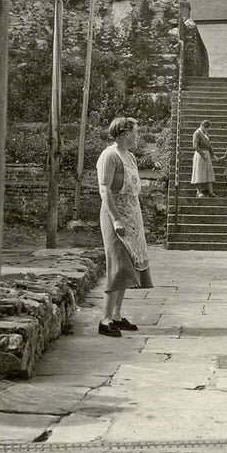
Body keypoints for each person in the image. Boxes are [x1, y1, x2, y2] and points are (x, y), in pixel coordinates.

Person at [96, 117, 152, 337]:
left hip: (132, 215)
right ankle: (105, 319)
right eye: (134, 132)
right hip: (114, 216)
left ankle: (117, 316)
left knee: (129, 266)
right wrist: (116, 219)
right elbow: (104, 190)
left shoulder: (130, 157)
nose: (137, 136)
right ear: (123, 133)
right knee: (118, 266)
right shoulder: (109, 156)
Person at [191, 119, 216, 197]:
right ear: (202, 126)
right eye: (206, 128)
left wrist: (213, 155)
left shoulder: (205, 133)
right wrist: (202, 154)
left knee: (209, 172)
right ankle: (199, 192)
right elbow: (195, 146)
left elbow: (209, 145)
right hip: (199, 155)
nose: (207, 129)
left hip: (207, 154)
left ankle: (211, 192)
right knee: (199, 172)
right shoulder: (197, 133)